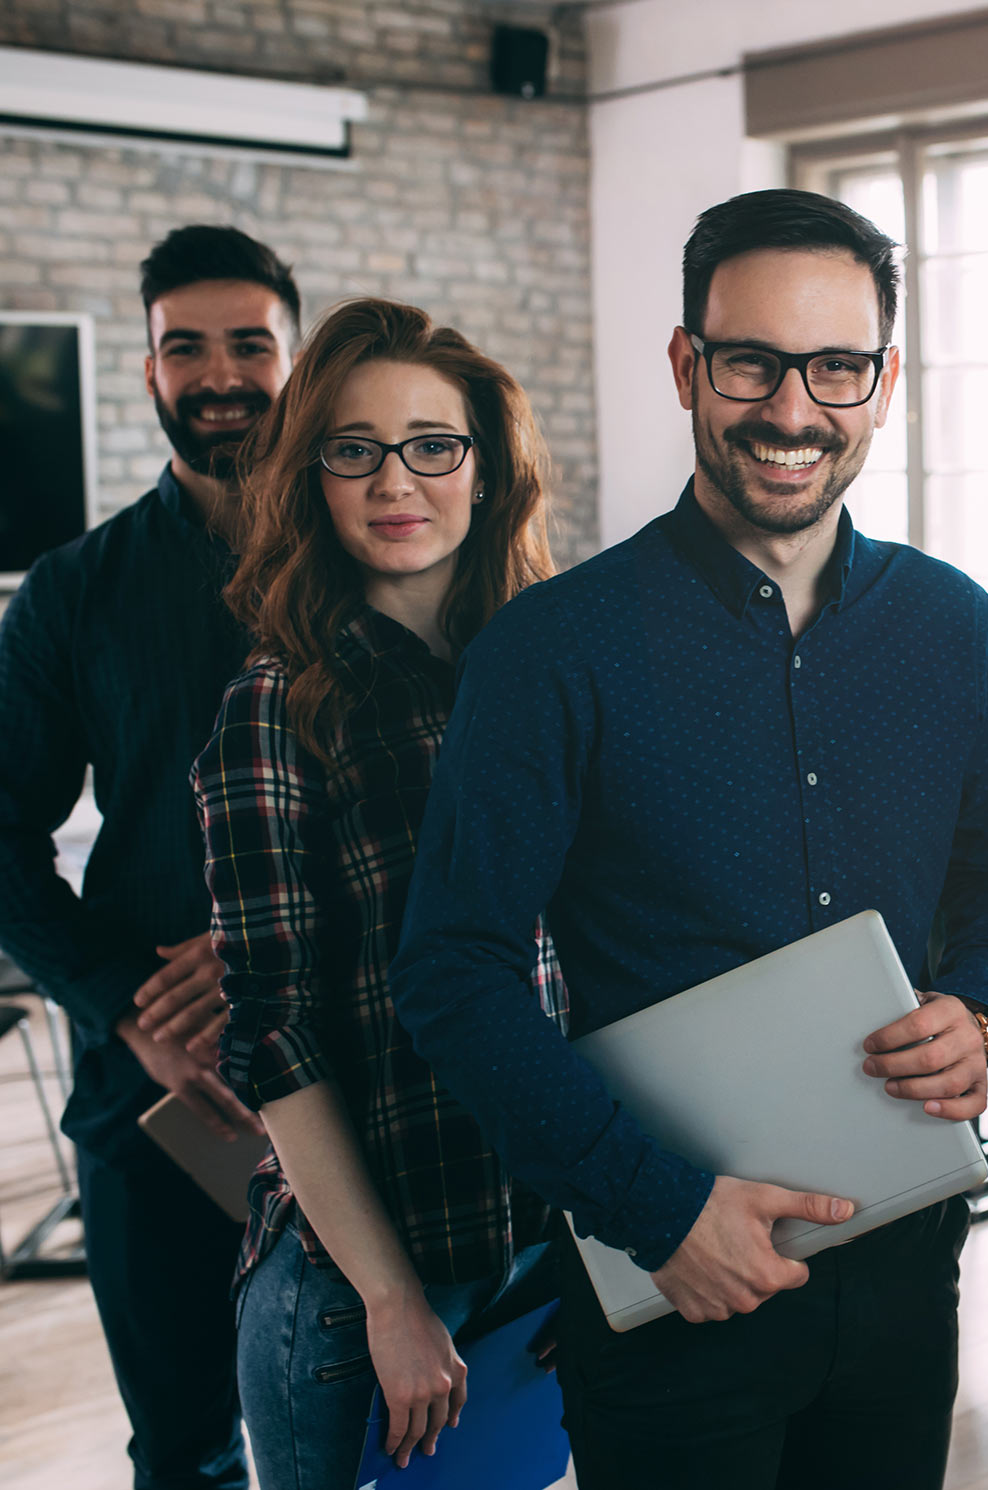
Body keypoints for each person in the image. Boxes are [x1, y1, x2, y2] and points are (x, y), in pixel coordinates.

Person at [385, 188, 988, 1490]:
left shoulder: (954, 628)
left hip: (906, 1269)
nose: (794, 410)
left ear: (885, 379)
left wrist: (979, 1004)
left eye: (837, 367)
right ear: (688, 362)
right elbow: (451, 970)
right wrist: (657, 1206)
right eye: (752, 361)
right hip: (668, 1285)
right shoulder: (549, 651)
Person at [191, 298, 563, 1489]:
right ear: (313, 475)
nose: (396, 480)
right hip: (367, 1291)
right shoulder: (275, 702)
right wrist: (394, 1300)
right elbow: (274, 1031)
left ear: (485, 468)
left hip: (543, 1238)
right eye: (355, 448)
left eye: (432, 444)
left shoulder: (542, 672)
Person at [0, 224, 297, 1490]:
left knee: (403, 1418)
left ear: (298, 357)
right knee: (186, 1447)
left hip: (371, 1067)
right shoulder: (71, 591)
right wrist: (131, 1007)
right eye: (188, 347)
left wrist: (281, 941)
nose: (219, 373)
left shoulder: (379, 558)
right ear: (150, 373)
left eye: (250, 343)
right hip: (155, 1098)